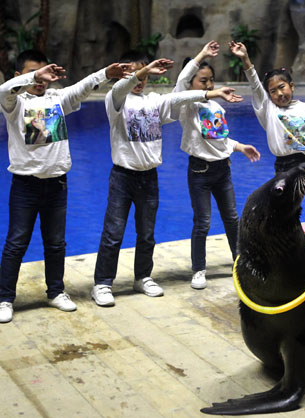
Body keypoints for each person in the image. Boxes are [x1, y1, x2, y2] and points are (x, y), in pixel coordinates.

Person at [91, 51, 244, 307]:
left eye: (143, 74)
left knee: (147, 233)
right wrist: (143, 70)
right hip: (123, 177)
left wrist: (210, 94)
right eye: (135, 73)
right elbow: (120, 87)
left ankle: (142, 277)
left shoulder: (153, 101)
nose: (139, 79)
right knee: (113, 233)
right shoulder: (116, 99)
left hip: (149, 177)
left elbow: (180, 95)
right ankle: (103, 283)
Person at [0, 49, 128, 323]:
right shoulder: (14, 103)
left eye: (45, 73)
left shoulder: (56, 99)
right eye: (35, 73)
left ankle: (55, 291)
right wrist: (33, 76)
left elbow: (81, 89)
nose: (42, 79)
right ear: (19, 75)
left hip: (57, 185)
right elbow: (4, 90)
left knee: (56, 243)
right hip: (25, 185)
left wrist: (106, 73)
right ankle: (4, 298)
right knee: (16, 243)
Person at [228, 41, 305, 262]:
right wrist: (245, 59)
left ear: (292, 86)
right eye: (273, 91)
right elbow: (255, 85)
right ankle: (292, 248)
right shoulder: (267, 110)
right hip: (283, 166)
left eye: (282, 87)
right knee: (284, 210)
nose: (279, 93)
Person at [174, 40, 260, 289]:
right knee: (203, 223)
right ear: (191, 82)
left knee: (232, 219)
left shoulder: (215, 105)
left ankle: (240, 262)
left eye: (211, 80)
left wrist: (240, 146)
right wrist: (200, 55)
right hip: (200, 172)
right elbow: (180, 83)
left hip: (223, 170)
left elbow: (219, 139)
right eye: (203, 80)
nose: (210, 85)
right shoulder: (186, 105)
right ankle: (199, 269)